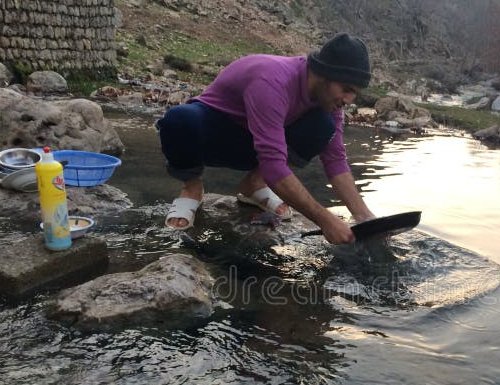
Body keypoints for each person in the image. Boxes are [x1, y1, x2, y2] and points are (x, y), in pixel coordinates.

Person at [157, 33, 376, 244]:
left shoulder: (329, 101)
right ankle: (192, 188)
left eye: (354, 92)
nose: (349, 100)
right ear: (323, 74)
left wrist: (365, 217)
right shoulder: (273, 81)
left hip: (259, 143)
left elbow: (335, 160)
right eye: (345, 89)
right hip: (214, 137)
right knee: (179, 119)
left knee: (323, 127)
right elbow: (274, 166)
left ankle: (254, 184)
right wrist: (325, 219)